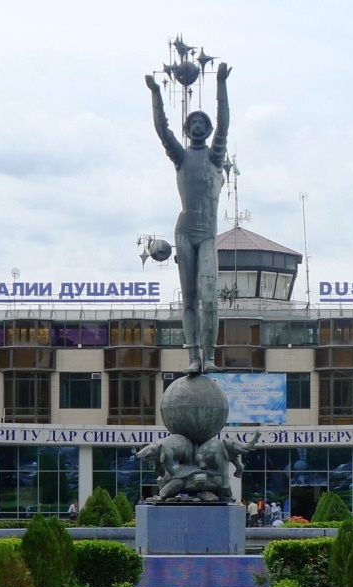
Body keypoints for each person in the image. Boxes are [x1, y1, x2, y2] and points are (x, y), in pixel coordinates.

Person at [146, 62, 231, 374]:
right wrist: (156, 93)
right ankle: (194, 357)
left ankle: (210, 357)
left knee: (210, 297)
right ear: (187, 129)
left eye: (201, 123)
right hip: (184, 232)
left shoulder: (215, 156)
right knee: (190, 298)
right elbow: (162, 132)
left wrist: (221, 84)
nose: (196, 126)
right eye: (192, 123)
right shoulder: (181, 157)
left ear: (206, 130)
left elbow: (224, 125)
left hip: (207, 234)